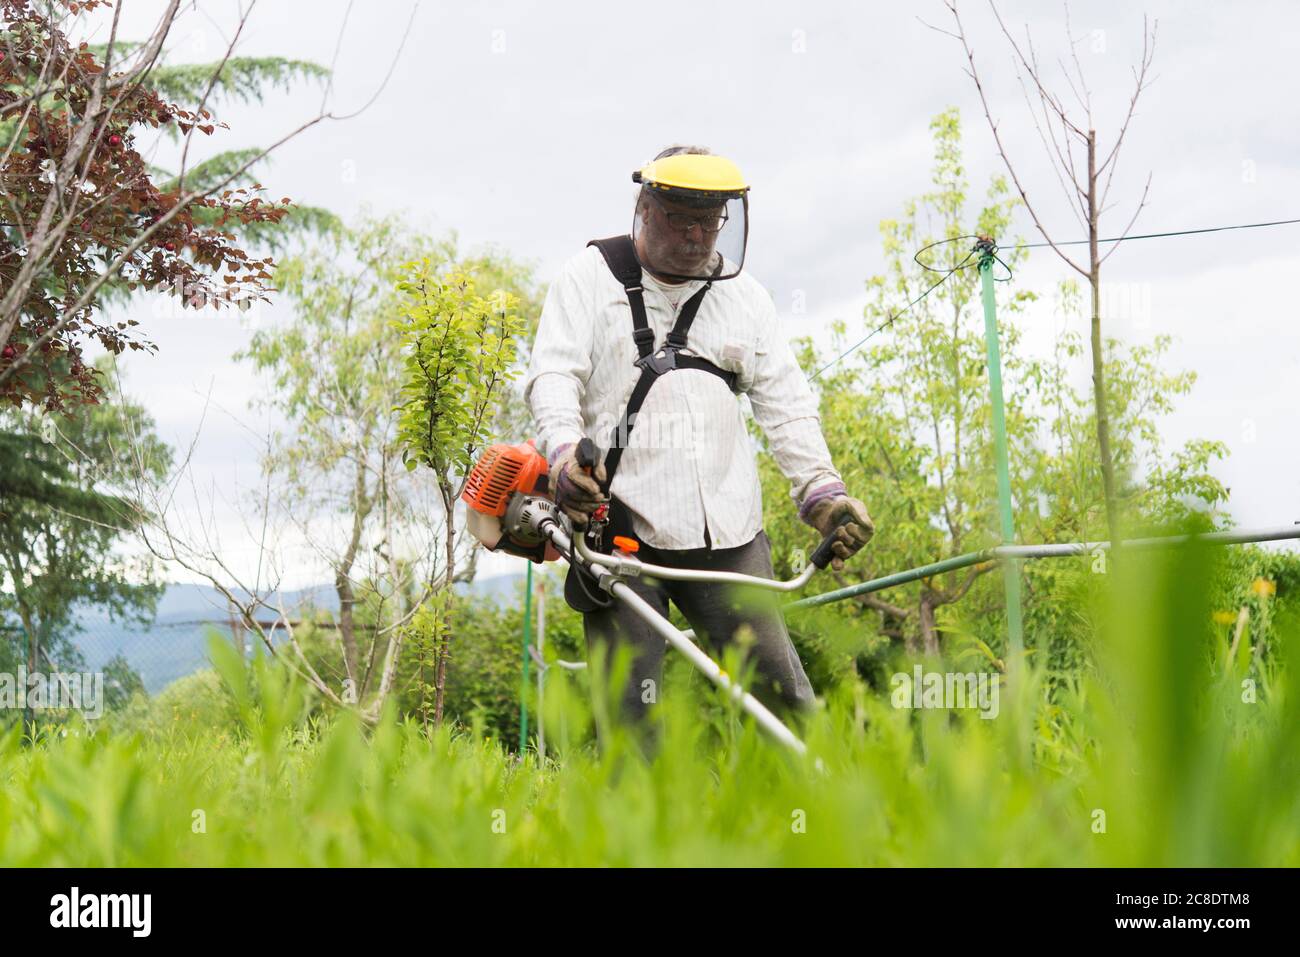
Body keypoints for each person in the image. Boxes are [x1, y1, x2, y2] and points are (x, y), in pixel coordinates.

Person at [523, 145, 874, 747]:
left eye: (707, 222)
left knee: (783, 703)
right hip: (620, 532)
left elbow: (786, 404)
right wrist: (561, 458)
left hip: (728, 535)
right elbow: (554, 377)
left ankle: (812, 826)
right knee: (631, 720)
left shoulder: (748, 299)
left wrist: (823, 493)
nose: (694, 235)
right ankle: (639, 833)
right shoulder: (587, 280)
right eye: (679, 219)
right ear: (645, 209)